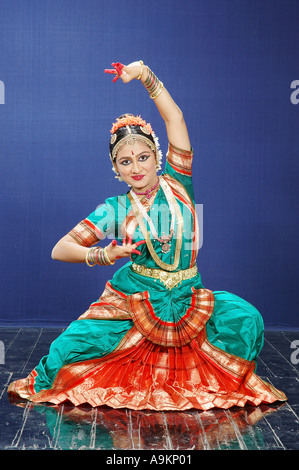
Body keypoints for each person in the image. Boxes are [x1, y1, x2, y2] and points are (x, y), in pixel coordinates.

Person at [8, 61, 287, 410]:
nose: (136, 167)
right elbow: (59, 249)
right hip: (135, 298)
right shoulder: (115, 209)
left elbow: (175, 120)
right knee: (67, 351)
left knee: (246, 321)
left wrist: (144, 76)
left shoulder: (178, 183)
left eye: (143, 157)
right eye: (125, 162)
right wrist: (104, 255)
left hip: (186, 294)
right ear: (116, 169)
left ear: (158, 156)